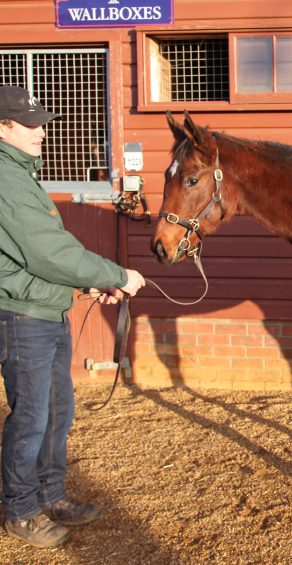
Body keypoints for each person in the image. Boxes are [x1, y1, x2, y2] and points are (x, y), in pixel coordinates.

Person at [0, 85, 145, 548]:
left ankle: (50, 494)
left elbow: (40, 255)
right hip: (22, 317)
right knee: (31, 418)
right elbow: (48, 252)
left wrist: (91, 283)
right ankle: (21, 510)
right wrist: (116, 274)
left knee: (57, 411)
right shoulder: (6, 179)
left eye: (42, 123)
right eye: (30, 124)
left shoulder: (20, 173)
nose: (41, 131)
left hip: (46, 310)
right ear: (2, 127)